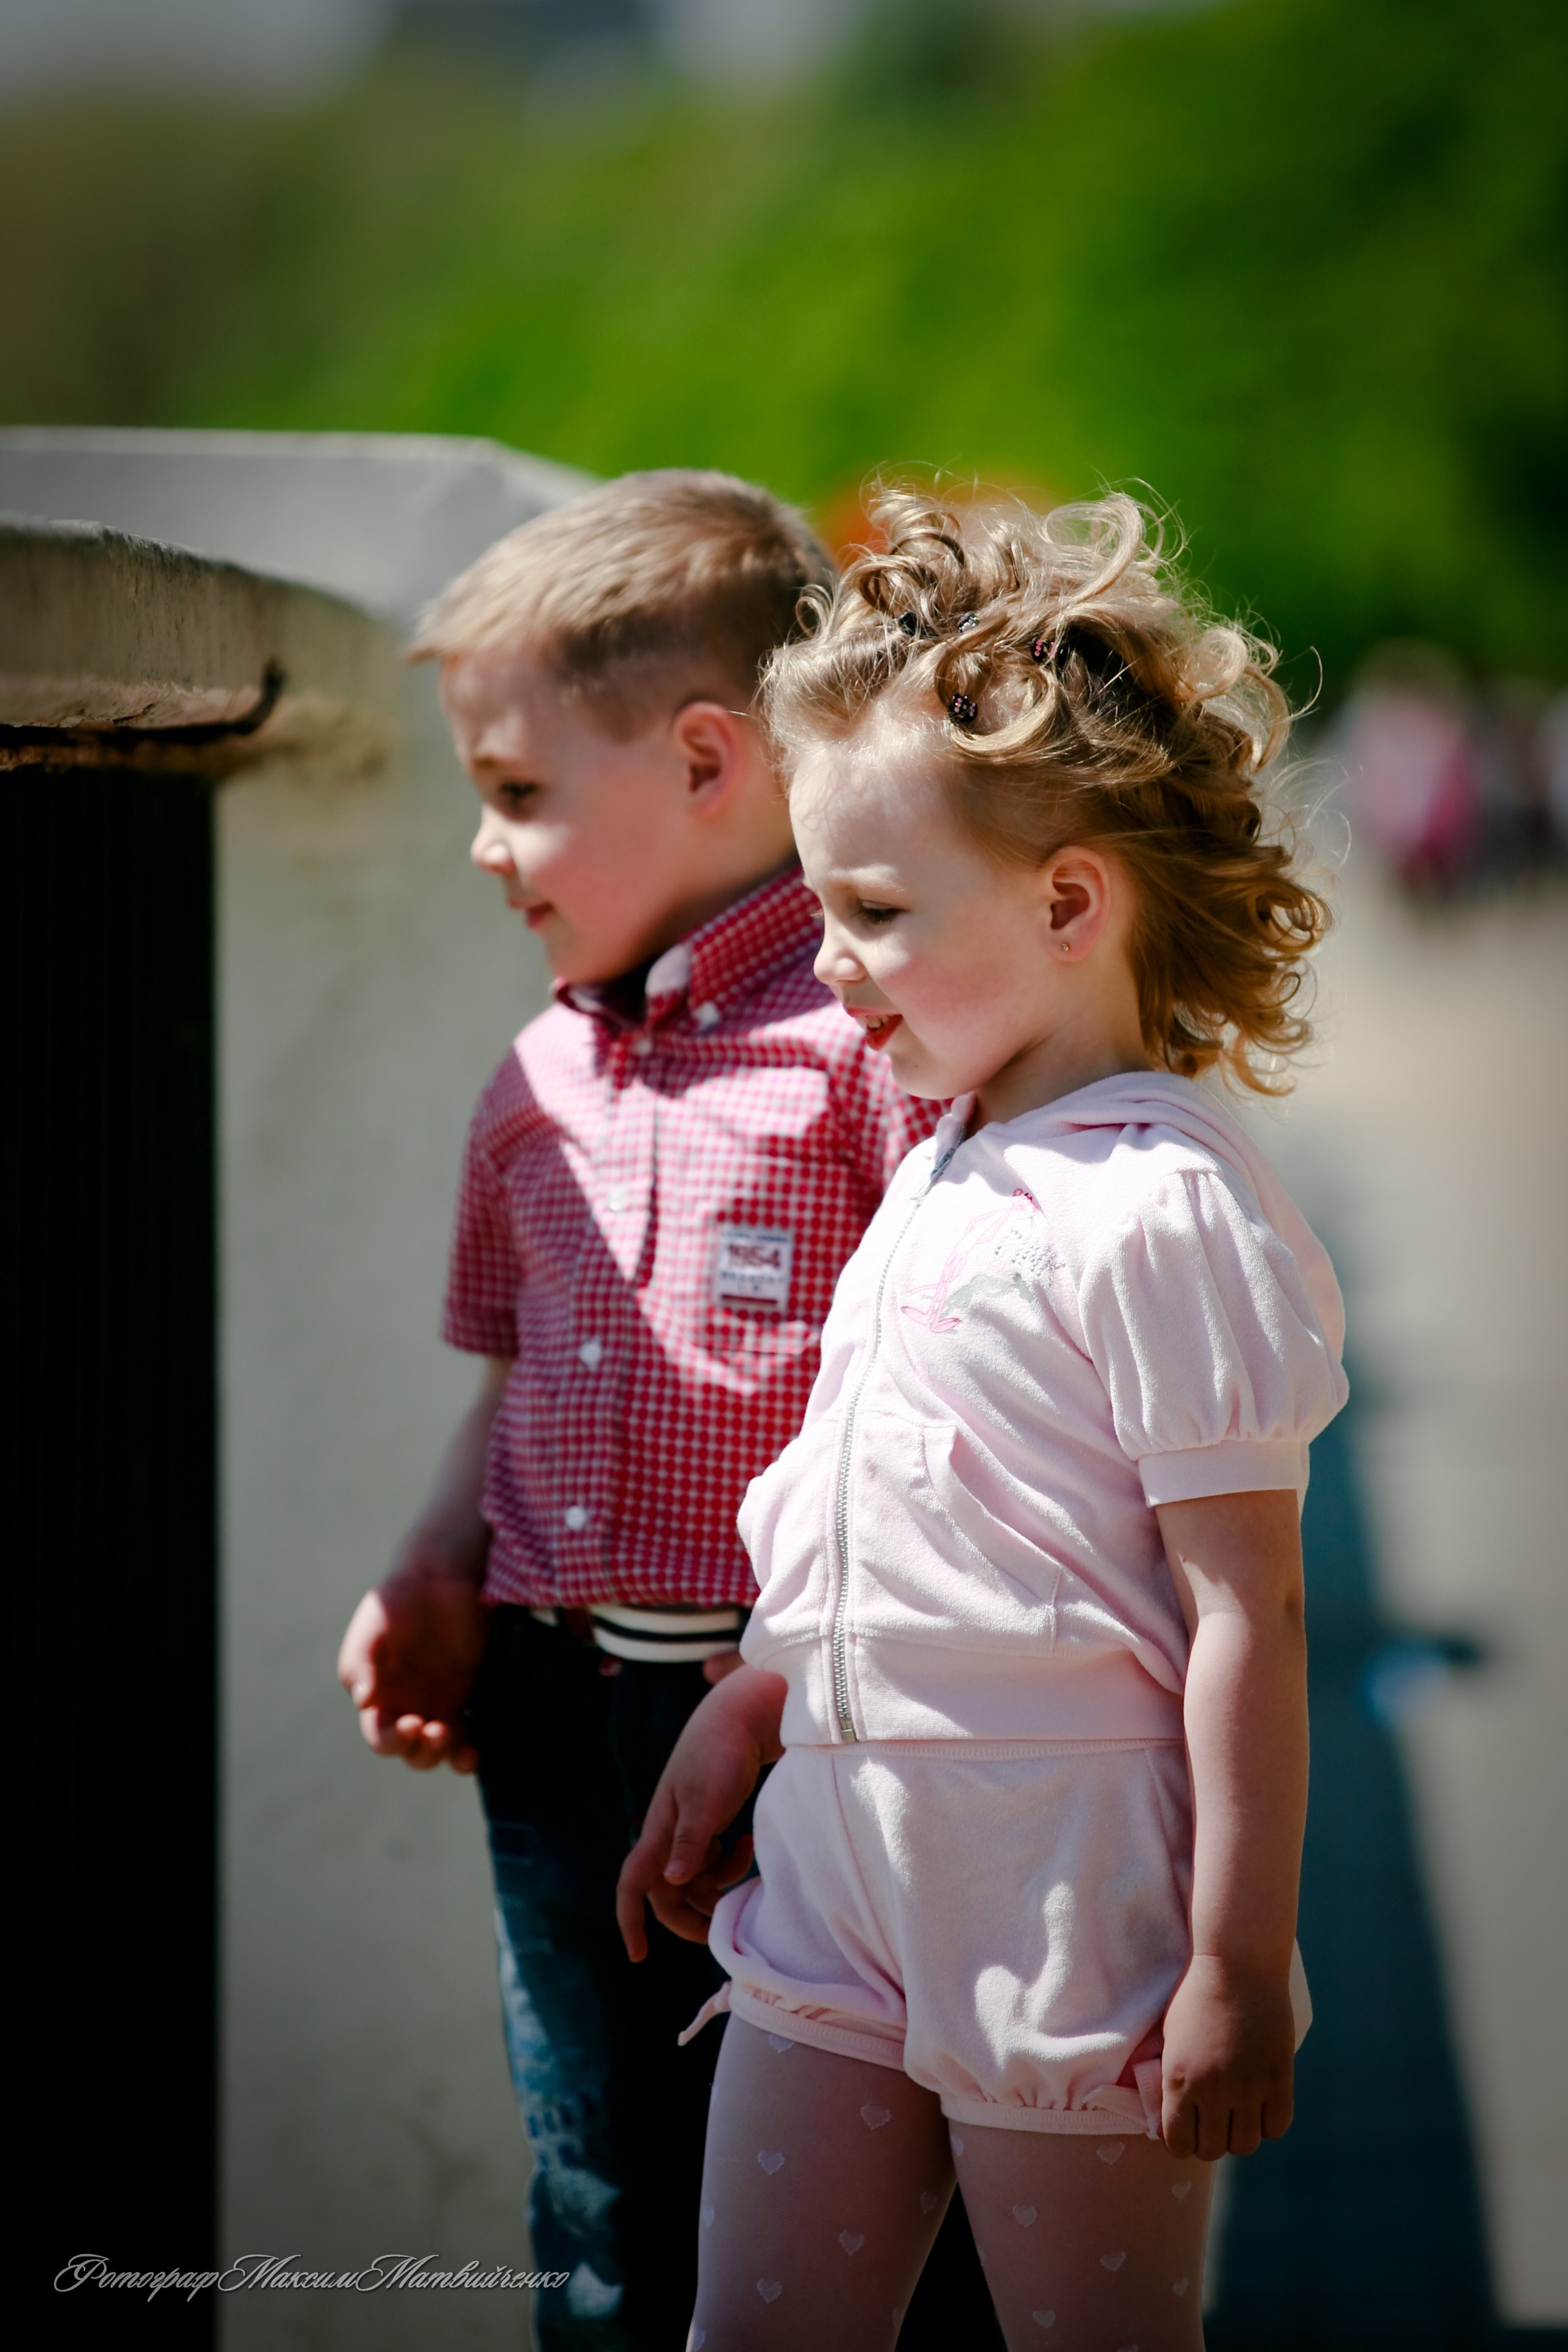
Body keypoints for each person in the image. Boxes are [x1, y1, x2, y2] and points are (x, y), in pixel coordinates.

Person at [617, 486, 1348, 2350]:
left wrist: (1237, 1962)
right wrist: (763, 1698)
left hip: (1064, 1894)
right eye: (818, 906)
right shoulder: (943, 1158)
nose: (830, 960)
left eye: (873, 911)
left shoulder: (1161, 1206)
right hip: (837, 1870)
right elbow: (901, 1505)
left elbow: (1247, 1611)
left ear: (1070, 902)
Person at [337, 472, 991, 2350]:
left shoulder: (869, 1051)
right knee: (601, 2186)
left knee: (870, 2195)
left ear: (710, 760)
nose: (485, 846)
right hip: (552, 1714)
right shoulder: (536, 1079)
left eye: (517, 790)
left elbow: (949, 1408)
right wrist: (435, 1558)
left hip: (800, 1726)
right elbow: (517, 1370)